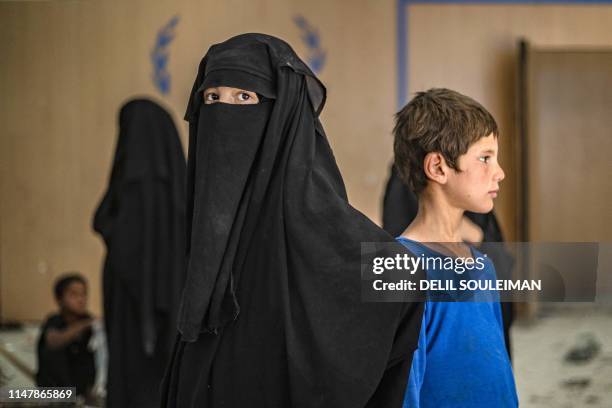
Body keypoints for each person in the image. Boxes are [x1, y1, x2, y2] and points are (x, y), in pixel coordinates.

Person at [161, 33, 424, 408]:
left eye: (244, 97)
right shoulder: (209, 217)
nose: (223, 111)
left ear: (281, 114)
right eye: (212, 97)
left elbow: (402, 278)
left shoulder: (315, 215)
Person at [392, 88, 518, 407]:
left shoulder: (481, 264)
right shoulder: (403, 271)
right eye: (485, 158)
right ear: (438, 168)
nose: (500, 173)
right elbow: (404, 391)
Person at [93, 99, 186, 407]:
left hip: (134, 312)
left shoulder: (135, 186)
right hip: (172, 306)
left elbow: (123, 244)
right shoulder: (178, 189)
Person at [382, 166, 515, 358]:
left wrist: (478, 238)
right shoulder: (405, 182)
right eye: (484, 158)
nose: (499, 173)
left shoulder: (475, 196)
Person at [36, 273, 96, 398]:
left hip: (81, 394)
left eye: (84, 294)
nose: (81, 299)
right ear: (59, 299)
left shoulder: (90, 322)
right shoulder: (54, 321)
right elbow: (53, 341)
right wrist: (82, 326)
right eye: (74, 295)